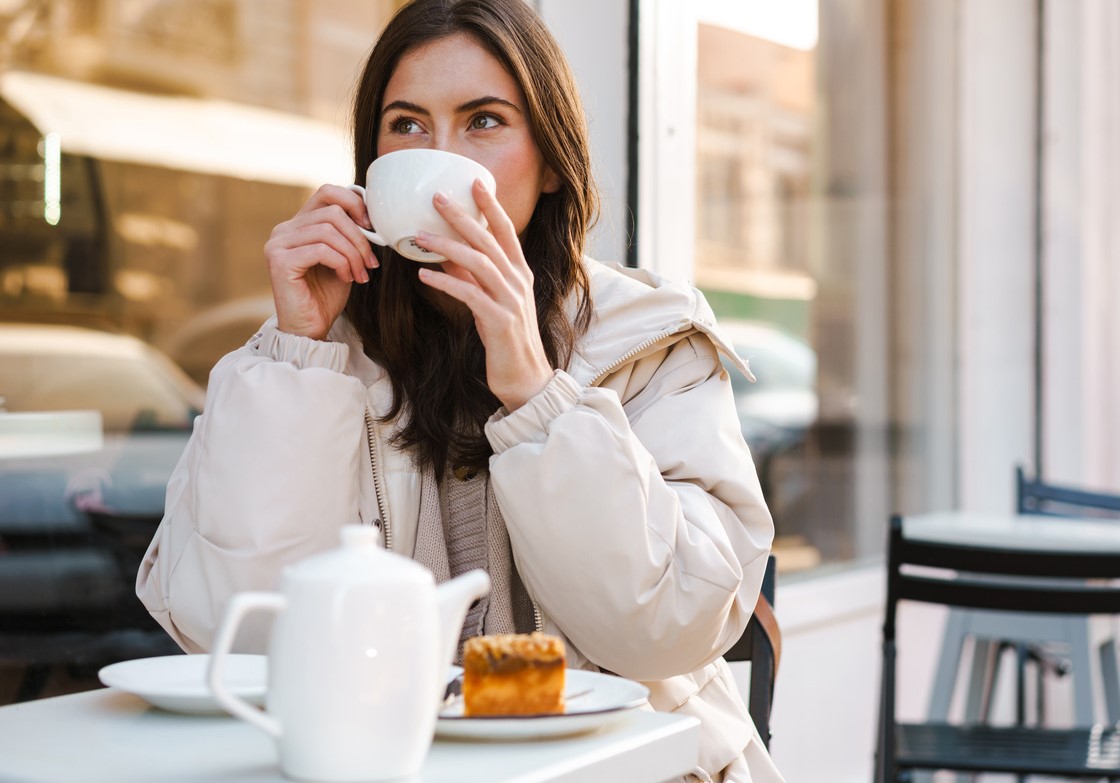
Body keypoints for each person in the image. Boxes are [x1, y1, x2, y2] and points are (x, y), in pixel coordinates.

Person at [136, 1, 781, 780]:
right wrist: (298, 352)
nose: (440, 156)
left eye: (483, 121)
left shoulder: (652, 339)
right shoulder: (310, 350)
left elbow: (671, 624)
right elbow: (228, 639)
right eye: (406, 126)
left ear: (549, 160)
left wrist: (534, 391)